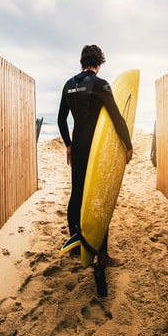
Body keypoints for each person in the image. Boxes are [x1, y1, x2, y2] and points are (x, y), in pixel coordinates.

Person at [57, 45, 133, 267]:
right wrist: (127, 145)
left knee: (77, 194)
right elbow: (117, 117)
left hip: (78, 146)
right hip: (96, 149)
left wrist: (68, 144)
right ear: (99, 63)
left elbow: (62, 120)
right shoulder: (100, 84)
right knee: (99, 197)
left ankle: (76, 244)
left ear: (82, 61)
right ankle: (103, 255)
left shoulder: (69, 85)